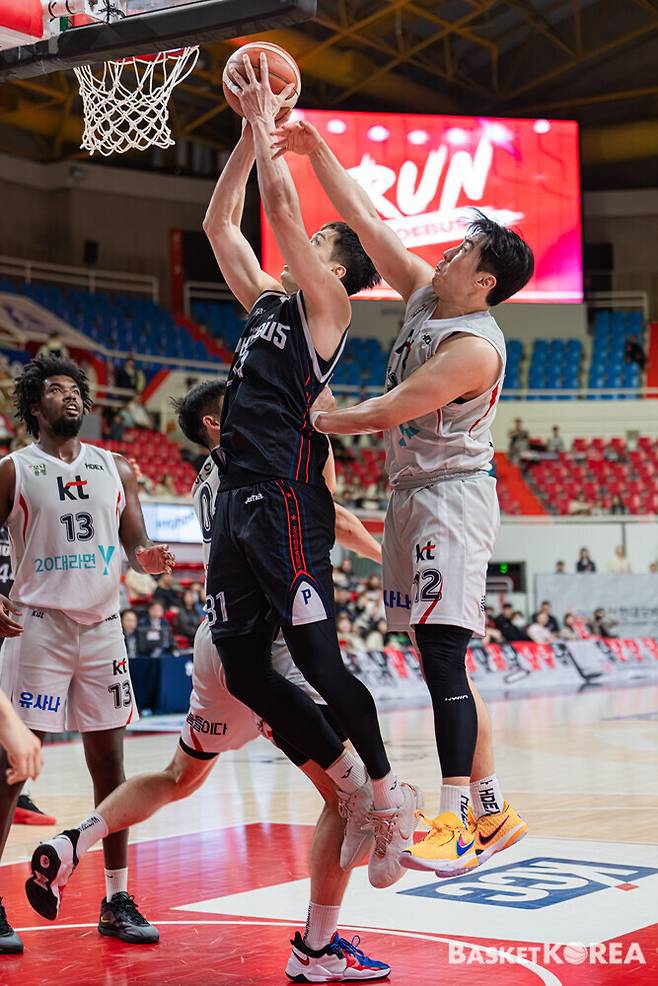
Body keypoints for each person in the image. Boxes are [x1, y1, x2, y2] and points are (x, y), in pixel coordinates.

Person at [26, 380, 391, 981]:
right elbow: (337, 519)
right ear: (217, 426)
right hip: (270, 647)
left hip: (217, 638)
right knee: (346, 797)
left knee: (180, 776)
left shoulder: (207, 477)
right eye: (239, 405)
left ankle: (73, 843)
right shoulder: (264, 458)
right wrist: (389, 560)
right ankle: (317, 948)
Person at [272, 116, 533, 875]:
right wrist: (317, 151)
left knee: (443, 653)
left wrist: (314, 416)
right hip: (412, 493)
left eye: (463, 254)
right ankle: (492, 809)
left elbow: (389, 409)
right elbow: (366, 218)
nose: (446, 254)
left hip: (451, 497)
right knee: (435, 653)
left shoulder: (473, 347)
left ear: (484, 283)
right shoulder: (425, 296)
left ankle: (455, 819)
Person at [202, 56, 420, 890]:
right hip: (238, 502)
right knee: (244, 666)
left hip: (288, 500)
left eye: (321, 244)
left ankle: (391, 797)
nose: (302, 242)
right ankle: (352, 782)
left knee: (320, 660)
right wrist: (243, 132)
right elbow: (220, 224)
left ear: (334, 268)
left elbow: (283, 209)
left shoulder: (328, 309)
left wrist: (269, 124)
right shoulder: (267, 300)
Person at [0, 355, 175, 953]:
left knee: (111, 767)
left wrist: (147, 556)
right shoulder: (14, 470)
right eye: (55, 389)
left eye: (76, 389)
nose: (70, 396)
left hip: (103, 628)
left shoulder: (116, 467)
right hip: (38, 629)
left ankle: (116, 900)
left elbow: (136, 540)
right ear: (34, 406)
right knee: (13, 768)